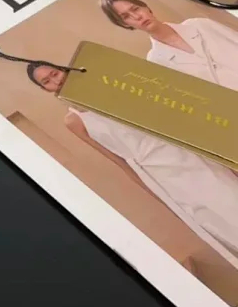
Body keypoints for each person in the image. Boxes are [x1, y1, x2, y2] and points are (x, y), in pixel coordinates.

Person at [28, 62, 238, 264]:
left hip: (180, 152)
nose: (56, 81)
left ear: (65, 69)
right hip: (156, 174)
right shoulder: (73, 121)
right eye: (46, 81)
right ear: (45, 89)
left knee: (229, 194)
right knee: (211, 219)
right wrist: (156, 195)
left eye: (55, 73)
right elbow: (117, 160)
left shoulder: (113, 91)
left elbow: (172, 121)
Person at [99, 0, 238, 91]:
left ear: (146, 7)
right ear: (124, 24)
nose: (136, 16)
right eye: (126, 16)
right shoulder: (156, 60)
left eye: (135, 9)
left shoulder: (199, 24)